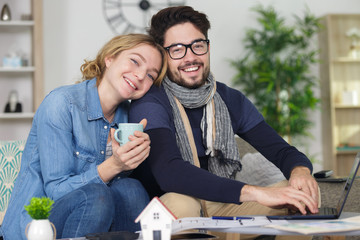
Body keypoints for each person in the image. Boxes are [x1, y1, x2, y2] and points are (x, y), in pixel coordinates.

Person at [129, 5, 319, 235]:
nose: (191, 57)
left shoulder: (229, 99)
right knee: (182, 203)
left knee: (301, 193)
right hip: (174, 204)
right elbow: (170, 173)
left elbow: (282, 151)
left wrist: (300, 171)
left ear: (208, 47)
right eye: (177, 49)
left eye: (198, 45)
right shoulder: (151, 101)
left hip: (222, 204)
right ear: (163, 55)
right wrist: (256, 192)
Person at [0, 34, 167, 240]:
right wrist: (115, 165)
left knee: (131, 187)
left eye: (151, 75)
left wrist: (138, 157)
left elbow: (121, 193)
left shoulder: (130, 118)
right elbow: (57, 191)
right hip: (36, 226)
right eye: (134, 61)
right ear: (110, 58)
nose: (141, 76)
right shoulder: (61, 103)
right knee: (95, 195)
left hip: (94, 221)